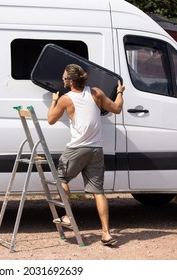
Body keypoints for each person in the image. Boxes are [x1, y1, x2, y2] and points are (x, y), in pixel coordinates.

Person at [47, 64, 125, 246]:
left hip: (76, 148)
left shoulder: (66, 99)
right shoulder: (96, 93)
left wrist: (53, 100)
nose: (63, 80)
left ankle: (67, 215)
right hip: (96, 149)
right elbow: (117, 108)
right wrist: (120, 92)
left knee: (62, 178)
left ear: (71, 81)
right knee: (98, 191)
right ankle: (106, 233)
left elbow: (51, 119)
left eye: (64, 78)